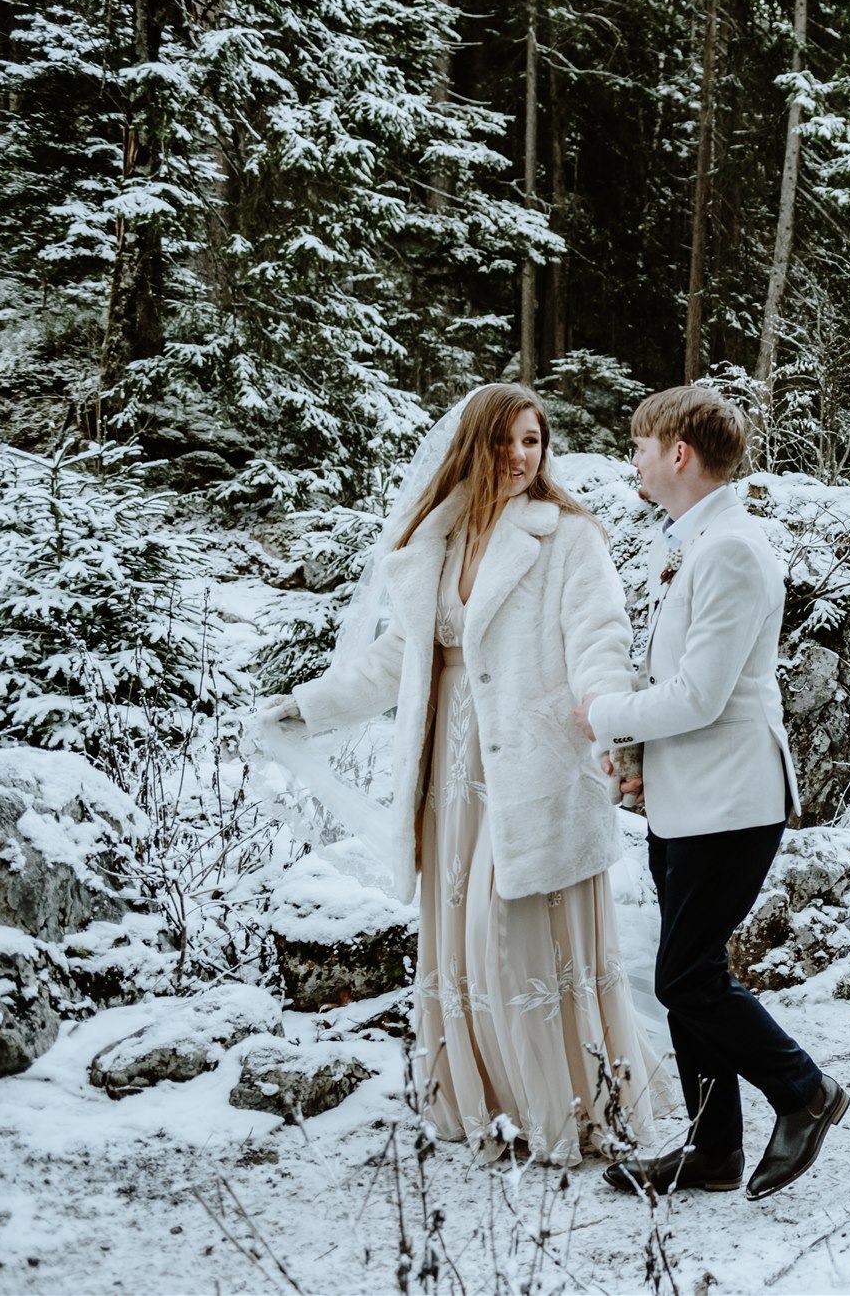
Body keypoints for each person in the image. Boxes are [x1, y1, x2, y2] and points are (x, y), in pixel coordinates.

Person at [263, 383, 674, 1166]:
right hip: (448, 774)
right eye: (506, 441)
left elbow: (599, 635)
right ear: (472, 446)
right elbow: (395, 659)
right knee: (458, 938)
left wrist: (610, 712)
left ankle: (570, 1107)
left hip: (533, 764)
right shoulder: (437, 541)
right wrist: (306, 706)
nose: (522, 456)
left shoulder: (567, 538)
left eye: (533, 441)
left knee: (507, 934)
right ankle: (485, 1104)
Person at [585, 385, 847, 1201]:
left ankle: (804, 1090)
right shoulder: (693, 541)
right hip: (691, 795)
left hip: (733, 800)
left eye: (639, 444)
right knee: (688, 969)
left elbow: (700, 694)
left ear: (679, 454)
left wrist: (602, 715)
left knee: (683, 978)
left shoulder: (731, 549)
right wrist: (635, 750)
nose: (632, 457)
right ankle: (712, 1148)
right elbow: (677, 678)